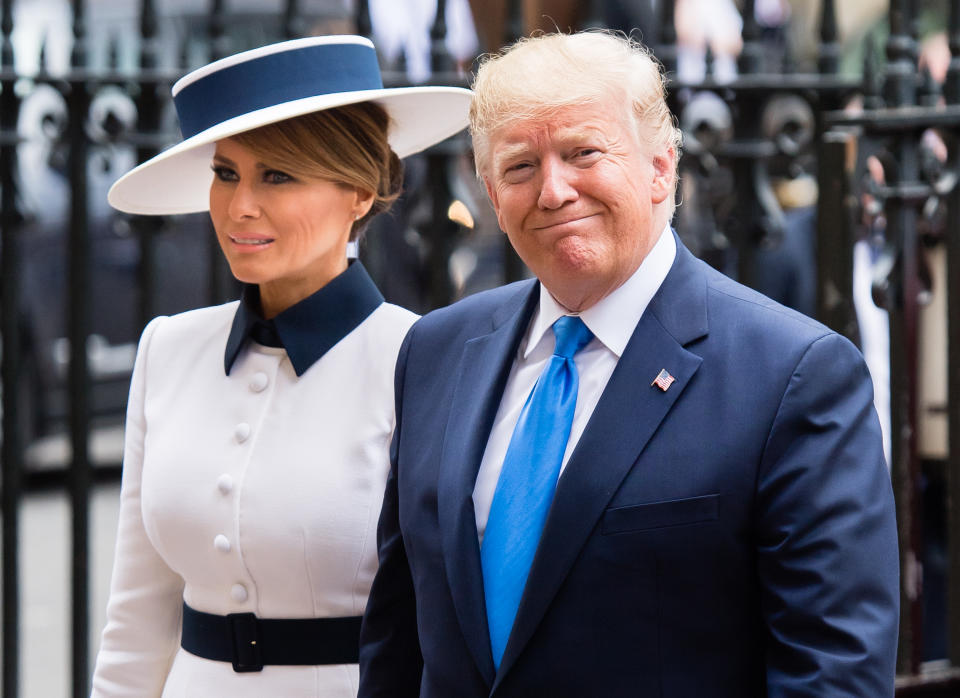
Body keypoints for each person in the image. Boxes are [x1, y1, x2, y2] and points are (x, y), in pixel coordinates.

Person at [358, 31, 899, 697]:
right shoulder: (437, 351)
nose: (553, 190)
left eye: (584, 152)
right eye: (521, 167)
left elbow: (833, 675)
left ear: (661, 168)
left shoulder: (793, 377)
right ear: (493, 199)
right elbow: (397, 641)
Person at [90, 35, 470, 697]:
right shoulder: (168, 350)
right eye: (226, 173)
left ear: (358, 192)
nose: (240, 206)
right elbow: (137, 619)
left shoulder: (421, 359)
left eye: (278, 175)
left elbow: (451, 624)